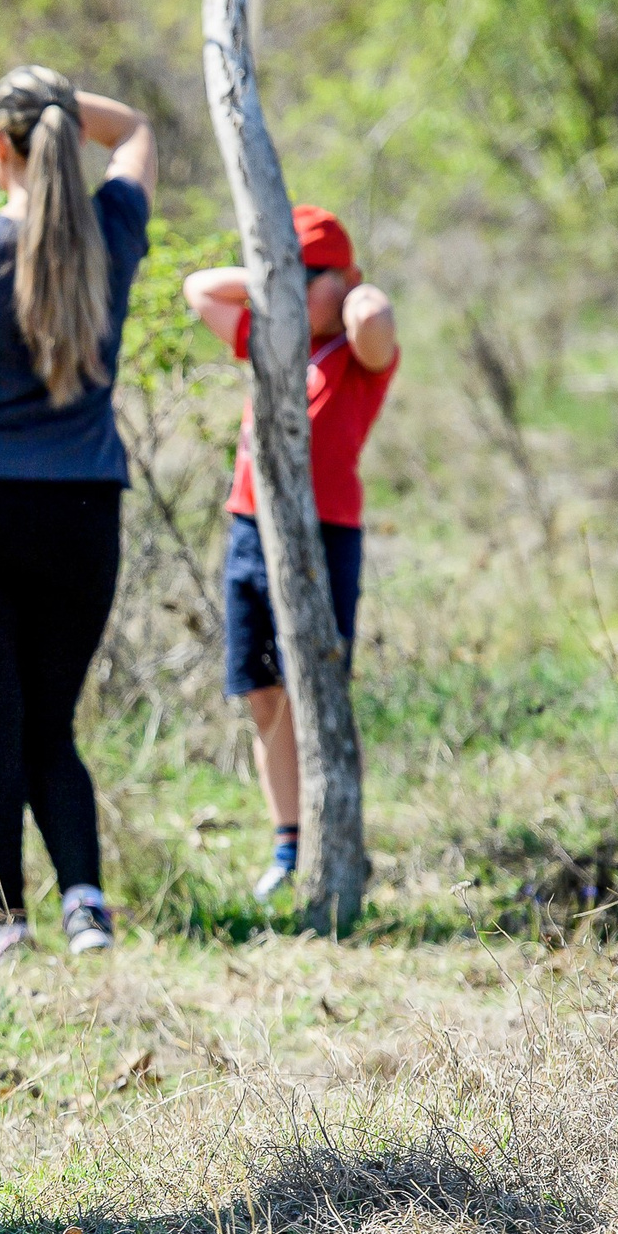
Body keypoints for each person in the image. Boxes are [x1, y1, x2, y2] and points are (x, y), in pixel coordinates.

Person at [0, 67, 156, 961]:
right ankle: (86, 906)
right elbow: (134, 133)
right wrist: (28, 99)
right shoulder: (113, 233)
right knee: (54, 719)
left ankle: (4, 927)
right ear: (58, 137)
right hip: (79, 509)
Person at [182, 206, 399, 900]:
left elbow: (374, 331)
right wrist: (271, 277)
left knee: (321, 686)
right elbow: (199, 291)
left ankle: (339, 840)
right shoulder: (274, 337)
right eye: (294, 274)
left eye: (317, 276)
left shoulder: (356, 353)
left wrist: (360, 294)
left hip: (326, 531)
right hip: (252, 526)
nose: (304, 290)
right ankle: (286, 843)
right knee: (262, 691)